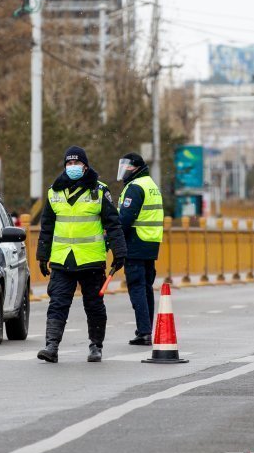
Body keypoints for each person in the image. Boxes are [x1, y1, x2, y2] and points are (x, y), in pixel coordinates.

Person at [35, 146, 126, 363]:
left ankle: (96, 346)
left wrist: (120, 252)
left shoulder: (99, 191)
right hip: (62, 259)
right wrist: (43, 255)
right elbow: (46, 226)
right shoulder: (54, 192)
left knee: (94, 305)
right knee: (57, 303)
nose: (73, 167)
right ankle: (52, 346)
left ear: (85, 166)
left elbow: (113, 224)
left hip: (91, 260)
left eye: (77, 164)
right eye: (69, 164)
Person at [115, 152, 163, 346]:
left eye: (127, 168)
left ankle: (143, 331)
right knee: (146, 288)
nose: (124, 172)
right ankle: (147, 329)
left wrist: (113, 238)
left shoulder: (135, 187)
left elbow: (125, 219)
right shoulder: (151, 185)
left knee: (136, 287)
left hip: (135, 242)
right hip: (150, 243)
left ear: (134, 168)